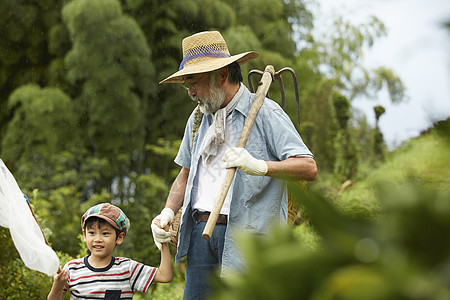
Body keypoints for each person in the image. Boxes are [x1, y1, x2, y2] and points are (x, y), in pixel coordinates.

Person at [152, 31, 317, 300]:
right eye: (186, 86)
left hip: (249, 238)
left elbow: (308, 167)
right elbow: (185, 175)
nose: (191, 92)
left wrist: (261, 166)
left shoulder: (266, 112)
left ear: (221, 75)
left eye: (193, 82)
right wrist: (168, 211)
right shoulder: (198, 119)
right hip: (199, 234)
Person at [48, 203, 172, 299]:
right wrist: (58, 285)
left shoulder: (127, 268)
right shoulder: (72, 269)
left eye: (105, 233)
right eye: (92, 233)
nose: (97, 239)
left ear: (119, 238)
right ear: (84, 235)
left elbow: (165, 275)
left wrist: (163, 240)